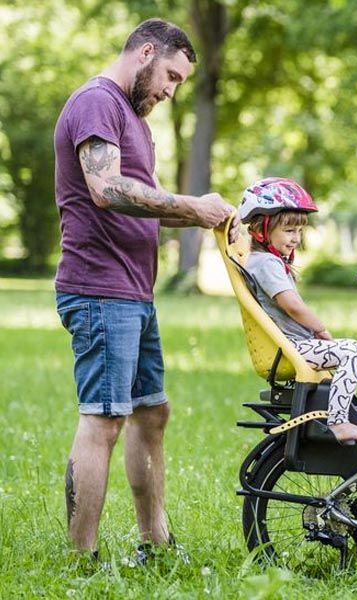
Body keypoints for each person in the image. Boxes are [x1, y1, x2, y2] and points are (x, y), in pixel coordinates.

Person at [53, 18, 240, 560]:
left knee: (151, 413)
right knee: (104, 418)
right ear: (146, 52)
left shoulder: (134, 119)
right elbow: (108, 189)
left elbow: (150, 204)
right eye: (171, 76)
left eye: (180, 82)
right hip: (99, 289)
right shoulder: (97, 102)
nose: (171, 90)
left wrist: (212, 215)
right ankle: (80, 557)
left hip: (134, 292)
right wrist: (192, 205)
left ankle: (154, 541)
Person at [238, 177, 357, 445]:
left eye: (299, 232)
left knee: (346, 355)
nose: (296, 239)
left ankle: (338, 415)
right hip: (293, 348)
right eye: (289, 231)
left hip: (294, 345)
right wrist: (320, 328)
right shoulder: (266, 264)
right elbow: (292, 305)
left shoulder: (264, 260)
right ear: (261, 228)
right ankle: (338, 422)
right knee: (352, 351)